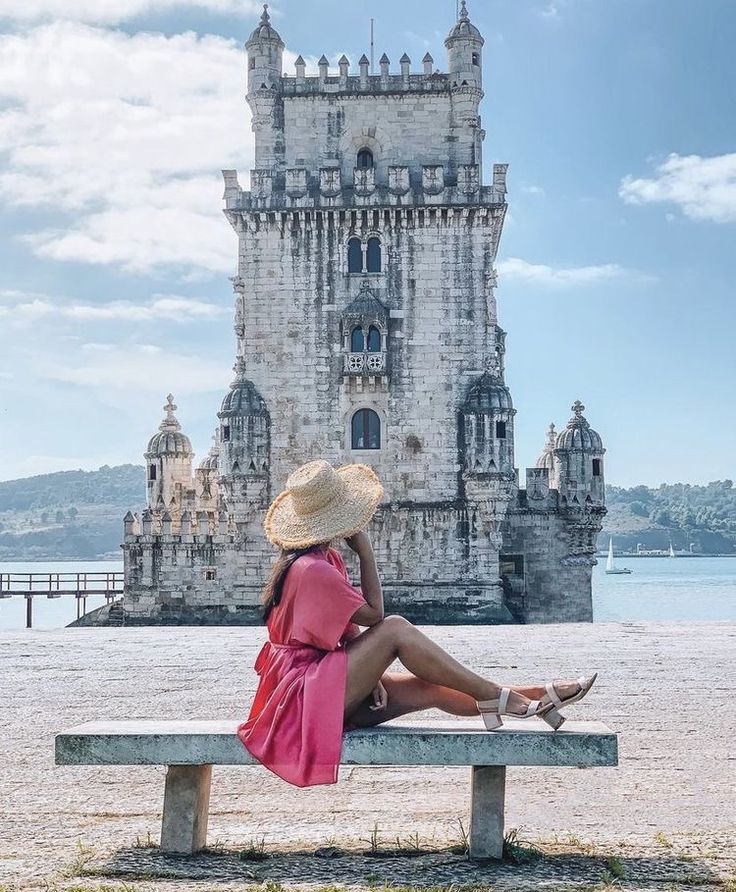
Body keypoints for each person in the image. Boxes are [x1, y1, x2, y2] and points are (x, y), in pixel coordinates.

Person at [237, 459, 596, 787]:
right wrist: (366, 551)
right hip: (304, 696)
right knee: (395, 627)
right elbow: (374, 617)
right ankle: (500, 697)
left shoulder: (316, 560)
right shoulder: (314, 569)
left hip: (316, 684)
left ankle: (533, 696)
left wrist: (372, 675)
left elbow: (335, 634)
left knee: (432, 689)